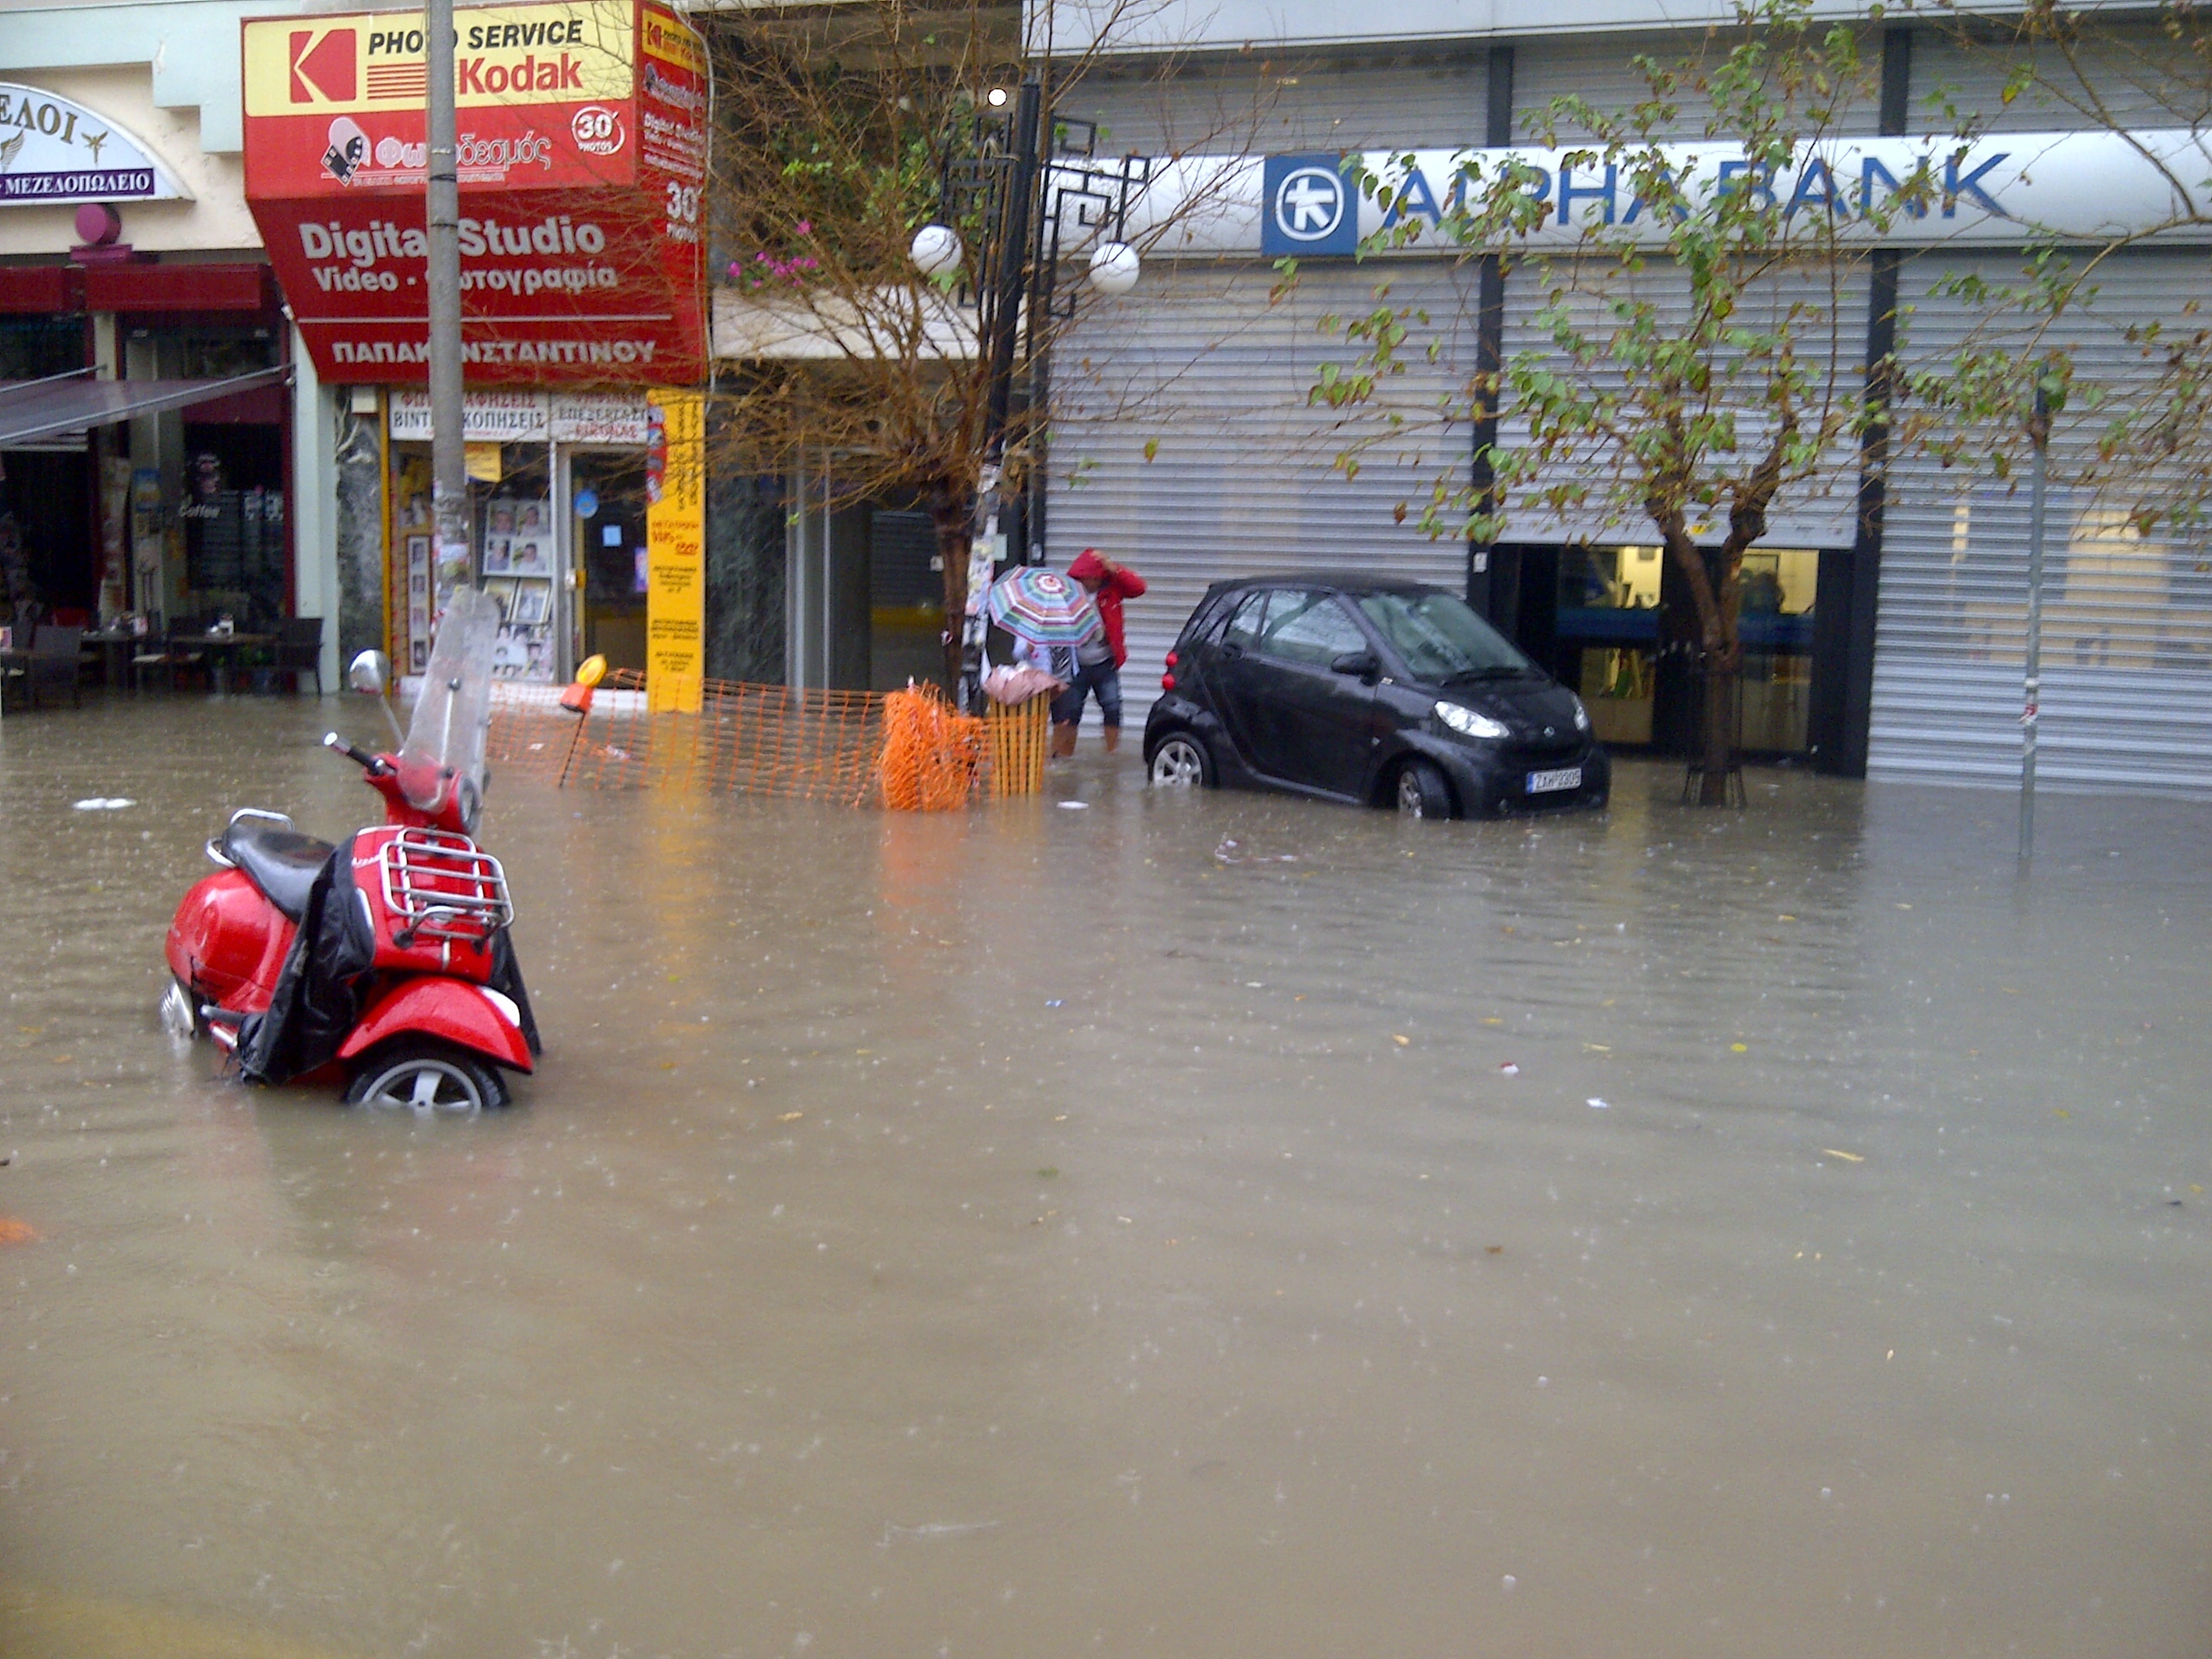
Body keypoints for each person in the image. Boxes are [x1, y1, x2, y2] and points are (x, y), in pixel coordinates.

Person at [1057, 547, 1147, 755]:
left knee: (1113, 707)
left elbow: (1139, 588)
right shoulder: (1067, 594)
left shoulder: (1111, 588)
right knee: (1071, 712)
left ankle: (1111, 755)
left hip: (1105, 662)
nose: (1095, 583)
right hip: (1076, 664)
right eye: (1091, 579)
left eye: (1098, 578)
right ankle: (1065, 755)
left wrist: (1113, 568)